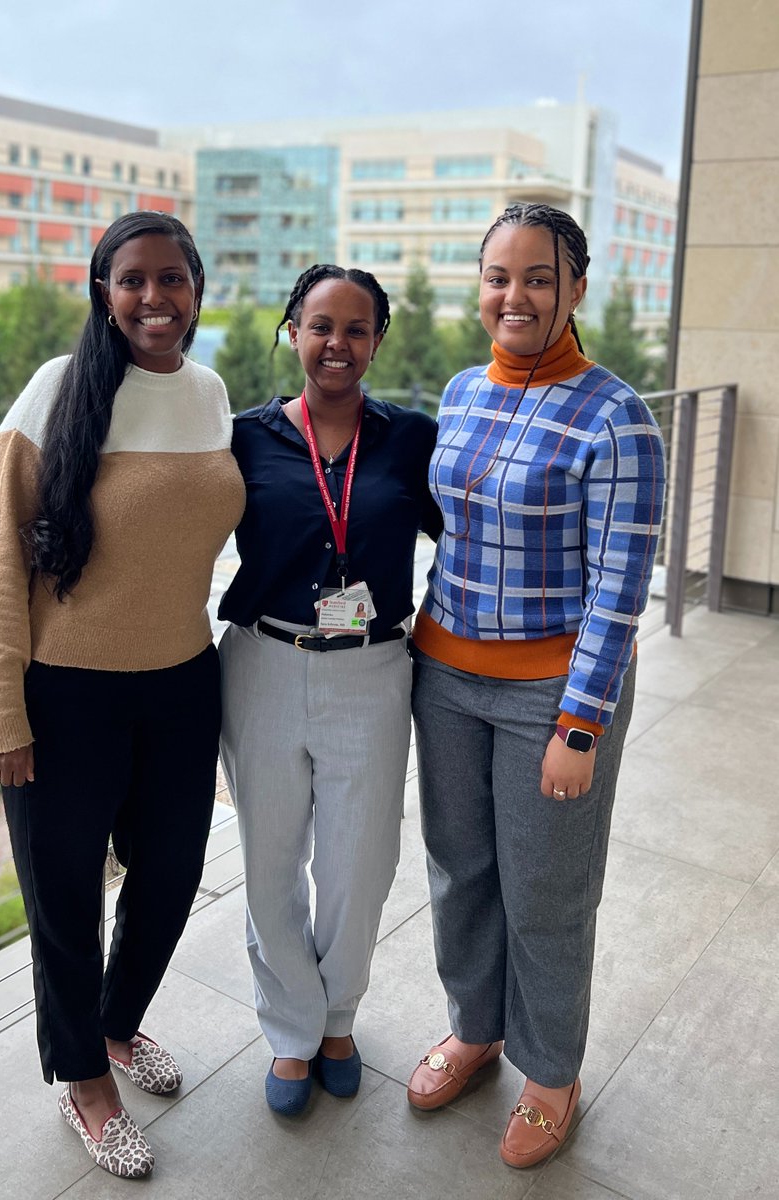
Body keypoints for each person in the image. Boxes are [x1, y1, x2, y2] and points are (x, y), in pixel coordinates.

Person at [0, 212, 245, 1178]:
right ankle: (85, 1083)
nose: (154, 299)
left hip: (181, 682)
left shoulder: (211, 396)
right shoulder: (58, 390)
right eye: (133, 280)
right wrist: (2, 710)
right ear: (103, 290)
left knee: (170, 878)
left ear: (197, 290)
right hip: (65, 693)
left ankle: (120, 1027)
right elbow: (1, 564)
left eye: (173, 280)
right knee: (65, 902)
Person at [405, 203, 665, 1168]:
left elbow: (619, 588)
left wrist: (582, 725)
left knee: (548, 889)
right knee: (460, 867)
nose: (515, 296)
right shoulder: (464, 389)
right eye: (499, 277)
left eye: (539, 279)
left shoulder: (618, 416)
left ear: (575, 289)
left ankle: (552, 1071)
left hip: (549, 696)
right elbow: (457, 527)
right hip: (446, 676)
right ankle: (478, 1030)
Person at [219, 264, 441, 1115]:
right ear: (292, 332)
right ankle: (291, 1032)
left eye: (356, 329)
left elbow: (468, 528)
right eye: (319, 326)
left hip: (374, 670)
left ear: (378, 339)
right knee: (270, 857)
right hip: (264, 665)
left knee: (361, 860)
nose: (336, 344)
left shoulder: (411, 438)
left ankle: (339, 1017)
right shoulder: (243, 438)